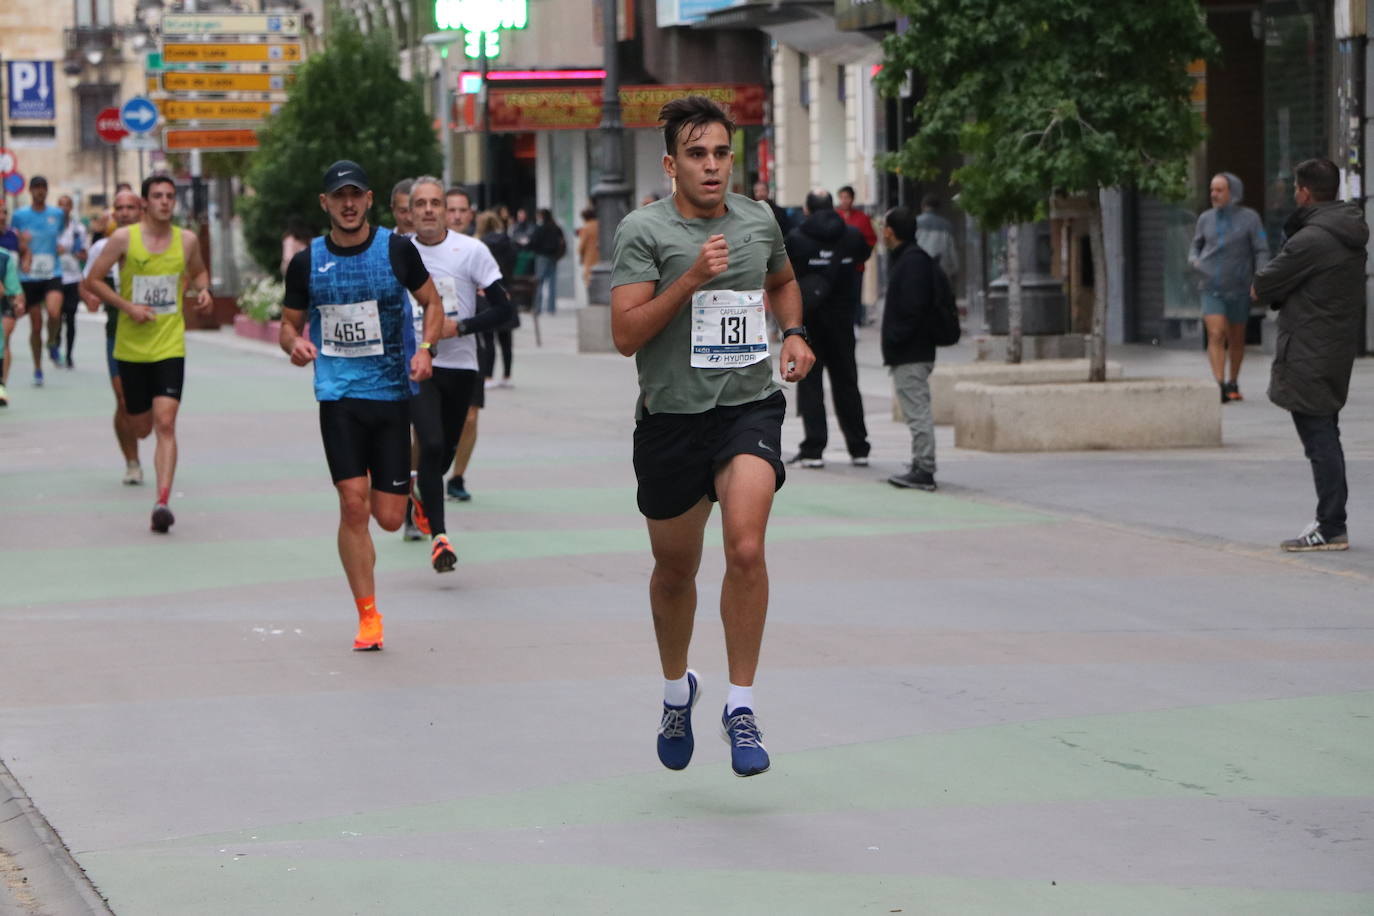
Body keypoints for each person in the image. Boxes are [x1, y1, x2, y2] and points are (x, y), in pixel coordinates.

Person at [610, 96, 815, 778]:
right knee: (675, 572)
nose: (711, 166)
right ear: (671, 163)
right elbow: (624, 334)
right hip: (671, 419)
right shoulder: (644, 231)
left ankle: (741, 705)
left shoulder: (758, 220)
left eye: (721, 153)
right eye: (697, 154)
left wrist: (793, 332)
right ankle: (677, 692)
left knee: (747, 547)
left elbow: (782, 281)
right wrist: (692, 278)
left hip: (747, 407)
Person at [279, 160, 444, 650]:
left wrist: (426, 350)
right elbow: (288, 324)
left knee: (387, 519)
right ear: (325, 204)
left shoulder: (395, 250)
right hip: (339, 397)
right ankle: (368, 616)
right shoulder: (307, 263)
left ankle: (406, 496)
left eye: (356, 195)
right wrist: (293, 343)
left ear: (369, 200)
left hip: (391, 395)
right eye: (338, 196)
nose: (348, 204)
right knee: (353, 505)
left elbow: (432, 303)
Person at [84, 175, 213, 532]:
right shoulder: (124, 238)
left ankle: (162, 501)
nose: (165, 202)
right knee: (140, 427)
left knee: (166, 424)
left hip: (170, 345)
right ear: (144, 203)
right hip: (131, 347)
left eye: (170, 196)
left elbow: (199, 272)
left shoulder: (186, 241)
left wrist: (203, 291)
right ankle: (132, 451)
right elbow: (92, 280)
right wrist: (128, 307)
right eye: (157, 196)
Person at [1250, 157, 1367, 552]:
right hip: (1333, 347)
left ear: (1303, 192)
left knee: (1319, 440)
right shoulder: (1347, 230)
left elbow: (1262, 285)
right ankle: (1330, 520)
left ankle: (1331, 524)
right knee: (1325, 433)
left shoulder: (1310, 240)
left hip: (1309, 351)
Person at [405, 185, 513, 570]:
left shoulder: (471, 251)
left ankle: (418, 491)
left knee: (444, 452)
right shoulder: (398, 251)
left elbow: (505, 311)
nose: (430, 210)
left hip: (461, 365)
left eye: (436, 203)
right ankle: (439, 538)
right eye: (422, 204)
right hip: (417, 365)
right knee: (430, 443)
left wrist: (460, 327)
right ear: (410, 212)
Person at [785, 189, 872, 468]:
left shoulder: (797, 240)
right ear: (833, 207)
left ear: (807, 209)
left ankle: (813, 449)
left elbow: (783, 272)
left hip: (809, 319)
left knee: (810, 383)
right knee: (847, 381)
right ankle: (858, 447)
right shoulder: (852, 236)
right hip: (843, 318)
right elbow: (863, 255)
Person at [80, 188, 144, 483]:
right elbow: (87, 282)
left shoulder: (157, 243)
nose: (125, 213)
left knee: (152, 411)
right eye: (120, 208)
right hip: (117, 330)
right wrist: (91, 298)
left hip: (154, 332)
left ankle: (146, 428)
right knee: (122, 398)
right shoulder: (101, 247)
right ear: (113, 214)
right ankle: (132, 462)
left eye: (131, 207)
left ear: (141, 210)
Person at [880, 206, 945, 491]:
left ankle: (924, 468)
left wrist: (895, 339)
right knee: (916, 409)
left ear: (890, 231)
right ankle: (920, 463)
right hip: (914, 349)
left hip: (912, 352)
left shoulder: (911, 263)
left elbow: (913, 309)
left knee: (917, 410)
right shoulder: (912, 259)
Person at [1190, 172, 1270, 403]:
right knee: (1216, 333)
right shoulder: (1205, 219)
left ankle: (1233, 381)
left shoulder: (1250, 218)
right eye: (1212, 190)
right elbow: (1196, 245)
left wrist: (1259, 278)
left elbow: (1261, 249)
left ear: (1232, 192)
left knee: (1236, 337)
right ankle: (1219, 383)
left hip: (1239, 286)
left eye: (1219, 190)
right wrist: (1194, 259)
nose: (1213, 194)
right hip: (1210, 285)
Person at [12, 176, 66, 387]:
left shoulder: (57, 214)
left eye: (43, 187)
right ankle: (38, 368)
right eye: (36, 188)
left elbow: (62, 237)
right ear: (30, 191)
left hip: (53, 272)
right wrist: (22, 250)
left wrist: (62, 247)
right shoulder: (19, 215)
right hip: (29, 276)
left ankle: (52, 341)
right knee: (35, 327)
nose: (40, 191)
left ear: (47, 190)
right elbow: (14, 241)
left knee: (54, 313)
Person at [477, 209, 518, 387]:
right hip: (505, 289)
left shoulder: (480, 245)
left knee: (488, 337)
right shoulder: (507, 242)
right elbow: (513, 263)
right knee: (506, 338)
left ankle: (488, 376)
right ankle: (507, 375)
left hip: (486, 291)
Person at [835, 185, 877, 326]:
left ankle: (856, 321)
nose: (844, 200)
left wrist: (862, 255)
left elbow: (871, 239)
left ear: (852, 199)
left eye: (847, 197)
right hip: (836, 264)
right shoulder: (834, 216)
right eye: (842, 197)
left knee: (855, 292)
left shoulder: (862, 218)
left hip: (856, 264)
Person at [56, 194, 89, 369]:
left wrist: (80, 254)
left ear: (71, 208)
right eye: (61, 205)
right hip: (55, 277)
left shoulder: (79, 229)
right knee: (56, 316)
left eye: (67, 205)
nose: (64, 208)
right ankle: (56, 347)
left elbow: (85, 253)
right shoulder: (52, 228)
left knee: (70, 318)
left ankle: (69, 355)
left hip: (73, 278)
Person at [0, 202, 25, 406]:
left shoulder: (5, 255)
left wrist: (18, 300)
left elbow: (12, 287)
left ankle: (1, 384)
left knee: (3, 339)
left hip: (4, 304)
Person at [915, 194, 961, 291]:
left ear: (922, 206)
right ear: (938, 208)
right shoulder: (946, 225)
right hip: (941, 271)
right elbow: (952, 252)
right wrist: (954, 271)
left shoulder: (915, 223)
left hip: (920, 270)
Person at [529, 208, 565, 314]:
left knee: (539, 282)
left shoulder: (540, 228)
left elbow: (533, 242)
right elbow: (562, 241)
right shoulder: (556, 228)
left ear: (541, 216)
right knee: (552, 283)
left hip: (542, 257)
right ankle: (551, 309)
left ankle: (537, 308)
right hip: (553, 257)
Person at [576, 205, 598, 290]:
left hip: (589, 257)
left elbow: (582, 245)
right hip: (600, 256)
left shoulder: (586, 228)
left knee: (589, 278)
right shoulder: (599, 224)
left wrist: (579, 253)